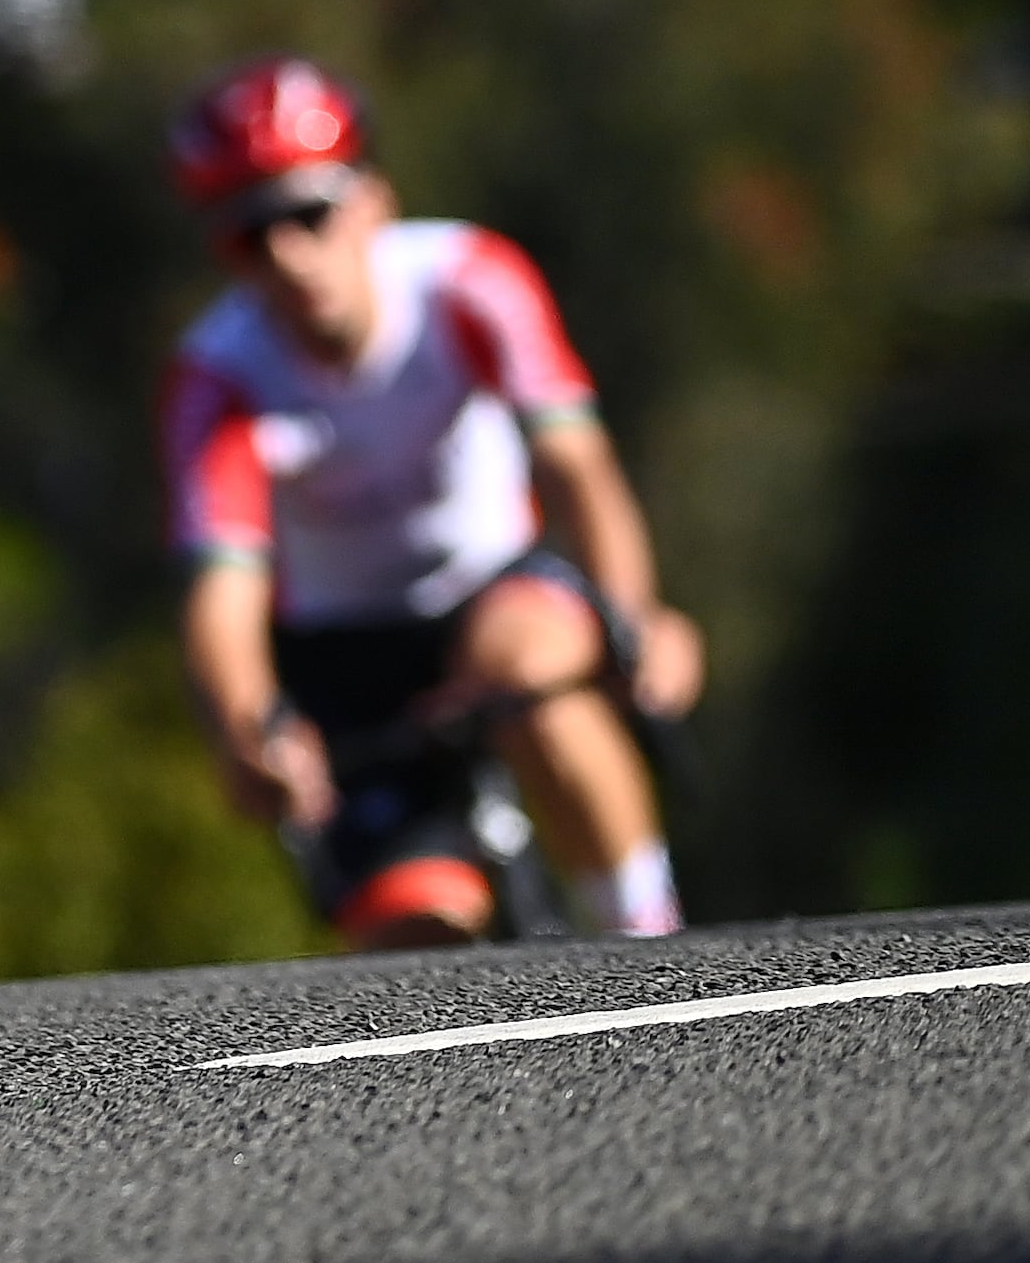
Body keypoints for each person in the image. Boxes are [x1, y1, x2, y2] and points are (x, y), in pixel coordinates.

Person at [158, 57, 701, 945]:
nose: (289, 255)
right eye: (251, 236)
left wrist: (632, 620)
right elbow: (223, 587)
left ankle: (646, 938)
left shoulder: (468, 280)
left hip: (494, 592)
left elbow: (575, 463)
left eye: (310, 214)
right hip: (346, 655)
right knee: (415, 938)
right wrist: (251, 726)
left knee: (529, 671)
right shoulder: (217, 377)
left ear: (374, 199)